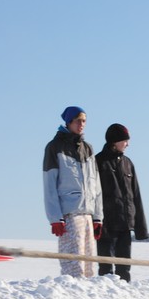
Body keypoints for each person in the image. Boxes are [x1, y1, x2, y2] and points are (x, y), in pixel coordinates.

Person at [43, 106, 103, 277]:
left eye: (84, 121)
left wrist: (98, 217)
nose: (81, 124)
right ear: (68, 122)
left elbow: (96, 186)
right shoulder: (54, 148)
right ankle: (72, 297)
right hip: (69, 214)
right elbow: (49, 185)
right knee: (73, 266)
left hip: (88, 214)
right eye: (78, 121)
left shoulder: (88, 148)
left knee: (90, 266)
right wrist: (55, 218)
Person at [95, 123, 149, 282]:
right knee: (105, 267)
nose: (128, 144)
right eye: (125, 140)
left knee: (124, 268)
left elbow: (136, 196)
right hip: (106, 225)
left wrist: (140, 228)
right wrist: (97, 221)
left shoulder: (128, 163)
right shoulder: (98, 162)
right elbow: (94, 194)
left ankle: (124, 297)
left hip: (126, 225)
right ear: (115, 141)